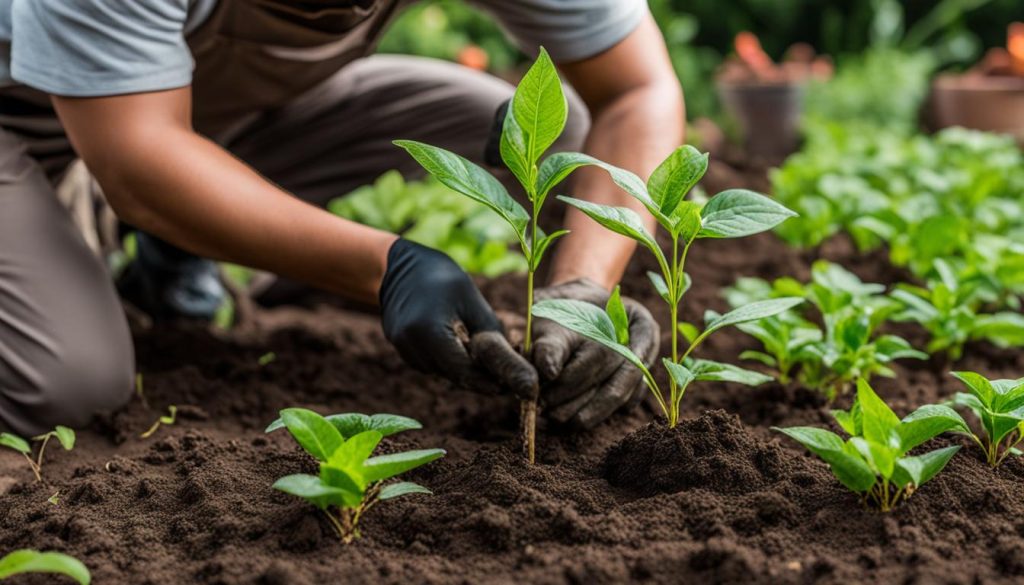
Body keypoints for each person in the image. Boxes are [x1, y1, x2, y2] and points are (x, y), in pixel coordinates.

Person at [0, 0, 684, 437]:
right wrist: (387, 267)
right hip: (32, 119)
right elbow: (139, 164)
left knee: (546, 137)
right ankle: (99, 225)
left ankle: (169, 252)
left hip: (193, 111)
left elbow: (638, 89)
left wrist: (584, 287)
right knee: (69, 381)